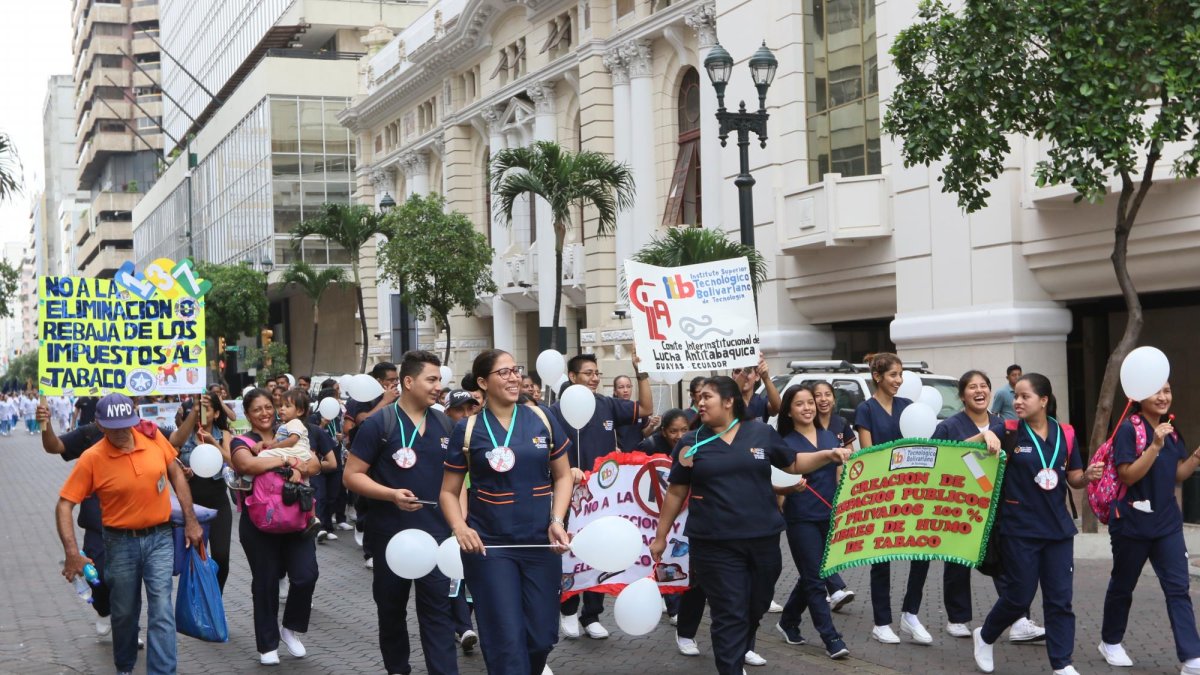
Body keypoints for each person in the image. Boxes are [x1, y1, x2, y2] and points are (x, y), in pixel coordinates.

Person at [650, 376, 851, 675]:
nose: (700, 402)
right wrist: (661, 536)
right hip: (713, 545)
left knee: (756, 606)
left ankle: (740, 646)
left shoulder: (761, 433)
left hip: (763, 540)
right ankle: (731, 667)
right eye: (699, 397)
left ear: (728, 401)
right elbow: (677, 492)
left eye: (707, 397)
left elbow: (793, 464)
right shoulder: (690, 442)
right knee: (729, 612)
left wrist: (828, 455)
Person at [441, 349, 574, 675]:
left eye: (515, 370)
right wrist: (460, 527)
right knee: (505, 639)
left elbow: (563, 476)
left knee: (541, 637)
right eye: (504, 372)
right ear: (483, 382)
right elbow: (448, 492)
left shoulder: (542, 418)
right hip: (490, 548)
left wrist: (557, 520)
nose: (514, 377)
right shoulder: (468, 429)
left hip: (540, 546)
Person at [55, 393, 203, 675]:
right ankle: (124, 666)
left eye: (127, 425)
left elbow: (175, 473)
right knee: (124, 611)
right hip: (119, 543)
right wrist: (72, 553)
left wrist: (191, 520)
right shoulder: (92, 458)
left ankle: (163, 671)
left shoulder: (153, 438)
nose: (123, 433)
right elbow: (64, 505)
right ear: (100, 425)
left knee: (161, 608)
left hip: (160, 538)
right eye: (114, 428)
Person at [972, 373, 1104, 675]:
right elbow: (960, 451)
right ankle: (986, 635)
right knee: (1019, 596)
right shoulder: (1007, 430)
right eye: (1015, 396)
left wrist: (1087, 477)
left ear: (1043, 400)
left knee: (1060, 600)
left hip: (1058, 529)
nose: (1017, 401)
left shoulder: (1066, 433)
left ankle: (1062, 663)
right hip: (1019, 528)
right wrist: (983, 437)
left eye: (1024, 396)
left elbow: (1073, 477)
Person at [344, 350, 461, 675]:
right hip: (389, 536)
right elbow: (351, 476)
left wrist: (459, 523)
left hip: (437, 534)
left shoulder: (445, 424)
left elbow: (457, 480)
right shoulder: (379, 424)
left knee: (438, 613)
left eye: (439, 380)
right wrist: (391, 495)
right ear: (408, 382)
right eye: (431, 379)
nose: (438, 386)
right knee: (391, 609)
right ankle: (397, 669)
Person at [930, 371, 1045, 642]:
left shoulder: (1004, 425)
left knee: (1007, 561)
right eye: (972, 387)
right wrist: (981, 439)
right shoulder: (949, 427)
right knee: (958, 561)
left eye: (984, 386)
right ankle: (957, 618)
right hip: (960, 505)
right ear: (962, 395)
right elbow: (939, 459)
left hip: (1000, 504)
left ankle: (1018, 619)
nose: (979, 391)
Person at [1098, 382, 1200, 673]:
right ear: (1140, 395)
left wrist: (1196, 456)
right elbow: (1128, 476)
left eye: (1167, 390)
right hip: (1131, 521)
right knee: (1123, 585)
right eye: (1157, 391)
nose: (1163, 396)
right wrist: (1154, 446)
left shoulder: (1171, 428)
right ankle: (1110, 641)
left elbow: (1176, 474)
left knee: (1178, 588)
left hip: (1167, 523)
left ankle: (1192, 657)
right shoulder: (1129, 429)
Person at [552, 353, 651, 639]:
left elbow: (646, 407)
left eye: (597, 373)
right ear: (572, 377)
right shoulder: (554, 412)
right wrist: (566, 471)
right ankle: (568, 608)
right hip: (569, 495)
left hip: (604, 495)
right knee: (571, 550)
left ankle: (591, 615)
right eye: (588, 373)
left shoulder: (607, 404)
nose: (594, 378)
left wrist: (641, 372)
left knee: (600, 549)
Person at [230, 389, 322, 665]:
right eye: (257, 409)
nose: (265, 413)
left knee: (306, 576)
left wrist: (298, 465)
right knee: (266, 582)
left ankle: (290, 628)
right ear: (247, 415)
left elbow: (315, 464)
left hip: (297, 517)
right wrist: (286, 460)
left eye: (268, 407)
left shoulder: (291, 432)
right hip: (259, 522)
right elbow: (246, 463)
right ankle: (267, 644)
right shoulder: (243, 441)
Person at [854, 353, 933, 645]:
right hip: (882, 493)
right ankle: (882, 622)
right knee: (882, 558)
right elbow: (868, 454)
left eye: (900, 374)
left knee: (922, 552)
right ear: (877, 377)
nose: (899, 380)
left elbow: (921, 445)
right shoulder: (866, 409)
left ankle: (910, 614)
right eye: (893, 375)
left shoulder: (908, 406)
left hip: (911, 491)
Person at [774, 384, 851, 659]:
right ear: (788, 411)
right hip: (801, 518)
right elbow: (780, 483)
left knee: (812, 574)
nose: (807, 408)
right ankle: (831, 638)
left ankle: (788, 621)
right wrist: (787, 492)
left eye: (810, 402)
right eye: (799, 404)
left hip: (829, 515)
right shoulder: (784, 443)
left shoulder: (829, 436)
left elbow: (839, 476)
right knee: (816, 579)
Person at [171, 395, 235, 591]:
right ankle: (197, 599)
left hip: (218, 502)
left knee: (221, 556)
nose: (201, 413)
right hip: (191, 505)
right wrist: (183, 472)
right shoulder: (184, 435)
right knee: (193, 558)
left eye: (206, 408)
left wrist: (212, 442)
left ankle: (215, 597)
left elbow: (233, 462)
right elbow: (173, 455)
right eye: (197, 408)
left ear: (216, 413)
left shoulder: (223, 435)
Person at [613, 374, 657, 451]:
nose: (625, 390)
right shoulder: (611, 408)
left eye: (628, 386)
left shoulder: (639, 408)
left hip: (638, 454)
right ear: (615, 391)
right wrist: (613, 447)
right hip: (618, 454)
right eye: (621, 387)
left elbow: (645, 434)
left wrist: (651, 425)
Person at [731, 355, 782, 422]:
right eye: (737, 371)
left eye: (748, 371)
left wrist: (766, 378)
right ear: (732, 376)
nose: (743, 375)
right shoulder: (727, 402)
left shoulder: (761, 402)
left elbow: (777, 408)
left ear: (757, 376)